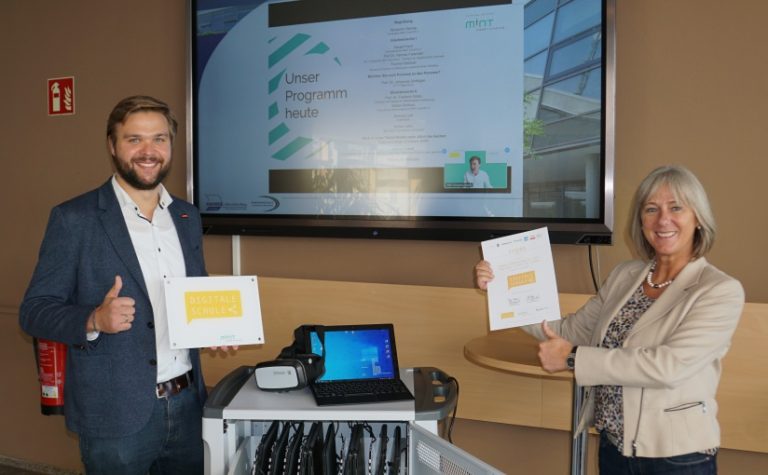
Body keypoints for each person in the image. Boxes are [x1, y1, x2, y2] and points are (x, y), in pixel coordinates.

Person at [475, 165, 744, 474]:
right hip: (614, 448)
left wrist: (573, 358)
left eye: (676, 208)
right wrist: (501, 290)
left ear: (698, 218)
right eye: (651, 209)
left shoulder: (719, 290)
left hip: (677, 458)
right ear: (641, 220)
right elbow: (570, 330)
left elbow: (667, 366)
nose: (662, 220)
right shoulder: (625, 276)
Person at [20, 95, 210, 474]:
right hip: (114, 417)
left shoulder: (187, 217)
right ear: (112, 145)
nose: (148, 151)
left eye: (159, 139)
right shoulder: (75, 219)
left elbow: (194, 296)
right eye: (134, 139)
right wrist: (94, 319)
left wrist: (216, 328)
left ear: (171, 145)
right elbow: (34, 311)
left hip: (188, 404)